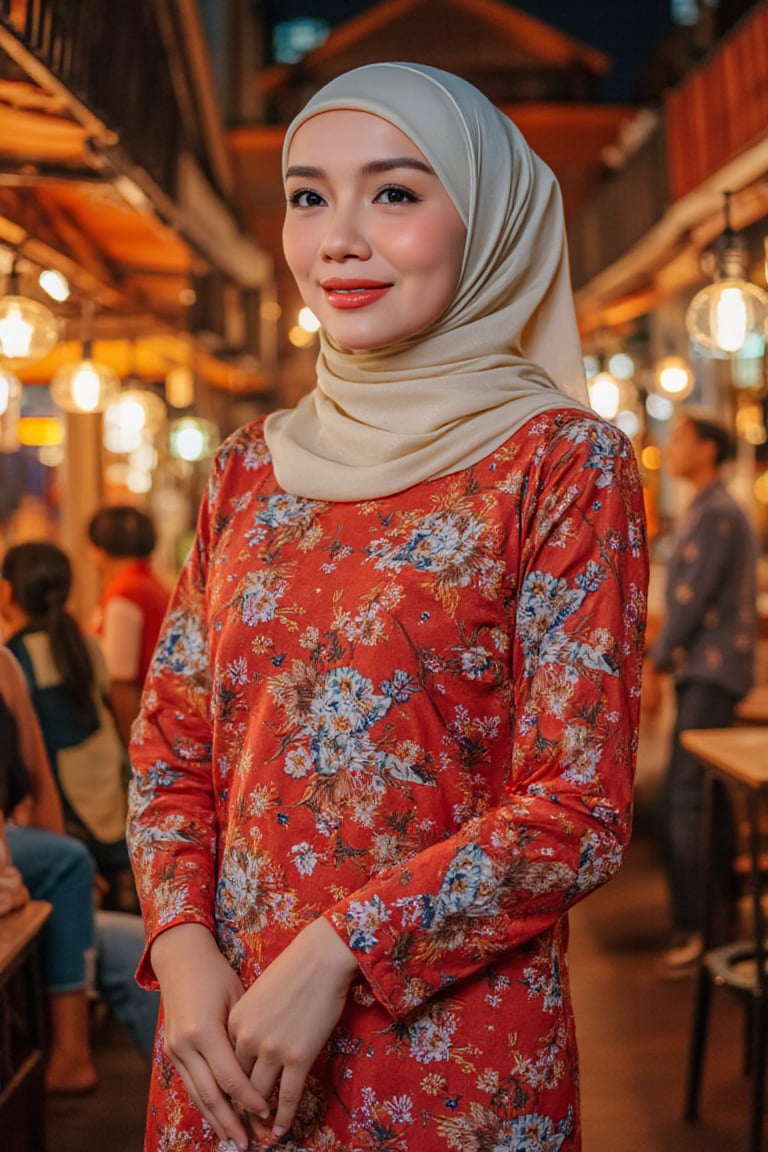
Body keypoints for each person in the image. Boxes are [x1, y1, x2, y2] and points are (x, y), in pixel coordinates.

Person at [128, 62, 648, 1152]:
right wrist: (180, 957)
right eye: (309, 195)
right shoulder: (244, 470)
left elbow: (578, 809)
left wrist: (334, 956)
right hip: (224, 1051)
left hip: (448, 1060)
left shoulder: (561, 462)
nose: (338, 240)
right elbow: (173, 751)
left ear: (489, 224)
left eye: (396, 193)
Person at [0, 643, 159, 1090]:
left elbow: (39, 782)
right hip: (23, 860)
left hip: (22, 859)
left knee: (141, 952)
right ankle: (72, 1054)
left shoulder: (7, 664)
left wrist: (73, 882)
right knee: (68, 862)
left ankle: (200, 1116)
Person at [643, 406, 757, 972]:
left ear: (708, 448)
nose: (672, 444)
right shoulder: (707, 509)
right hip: (709, 668)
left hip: (711, 668)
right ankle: (723, 914)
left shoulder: (716, 513)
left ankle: (697, 928)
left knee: (681, 797)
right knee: (704, 795)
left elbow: (691, 603)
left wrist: (655, 663)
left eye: (682, 436)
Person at [0, 541, 132, 905]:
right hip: (107, 786)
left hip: (65, 806)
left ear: (8, 591)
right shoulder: (83, 641)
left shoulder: (13, 658)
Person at [87, 505, 170, 748]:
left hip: (151, 731)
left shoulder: (125, 594)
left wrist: (133, 748)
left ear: (99, 551)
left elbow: (121, 684)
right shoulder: (151, 584)